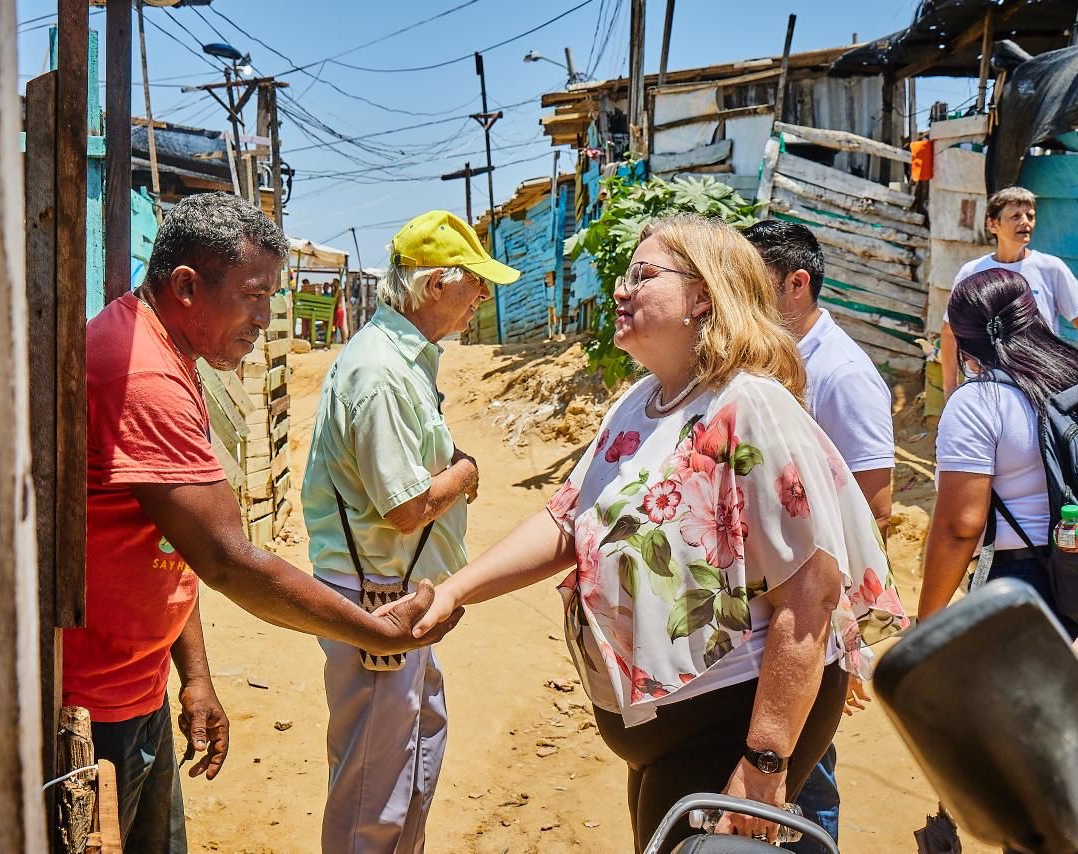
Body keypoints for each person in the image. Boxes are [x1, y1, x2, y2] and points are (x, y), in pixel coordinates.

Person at [405, 214, 908, 851]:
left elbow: (810, 597)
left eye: (642, 276)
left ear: (704, 296)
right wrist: (455, 591)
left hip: (732, 715)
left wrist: (764, 764)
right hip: (663, 730)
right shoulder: (641, 402)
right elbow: (568, 521)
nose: (619, 289)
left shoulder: (750, 406)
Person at [64, 193, 461, 854]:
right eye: (253, 295)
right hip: (93, 708)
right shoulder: (142, 374)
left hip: (133, 690)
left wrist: (191, 676)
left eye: (270, 297)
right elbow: (225, 558)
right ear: (187, 286)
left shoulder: (165, 353)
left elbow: (171, 540)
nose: (264, 317)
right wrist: (371, 630)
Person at [301, 210, 520, 853]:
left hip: (396, 590)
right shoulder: (381, 372)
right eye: (473, 283)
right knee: (375, 789)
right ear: (432, 286)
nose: (483, 295)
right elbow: (404, 508)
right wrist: (467, 473)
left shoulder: (403, 361)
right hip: (377, 597)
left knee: (410, 758)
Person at [744, 220, 895, 850]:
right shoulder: (777, 364)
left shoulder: (842, 375)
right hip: (777, 606)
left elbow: (875, 507)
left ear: (796, 285)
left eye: (753, 283)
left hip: (810, 614)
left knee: (807, 775)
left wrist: (837, 627)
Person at [919, 267, 1078, 640]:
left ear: (963, 339)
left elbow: (960, 526)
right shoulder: (1070, 376)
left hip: (1022, 582)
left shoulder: (978, 402)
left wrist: (928, 621)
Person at [940, 186, 1078, 400]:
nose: (1025, 222)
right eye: (1015, 216)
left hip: (1038, 386)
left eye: (1030, 216)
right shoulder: (973, 272)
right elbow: (950, 333)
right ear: (992, 224)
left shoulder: (1051, 268)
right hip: (985, 387)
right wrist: (949, 389)